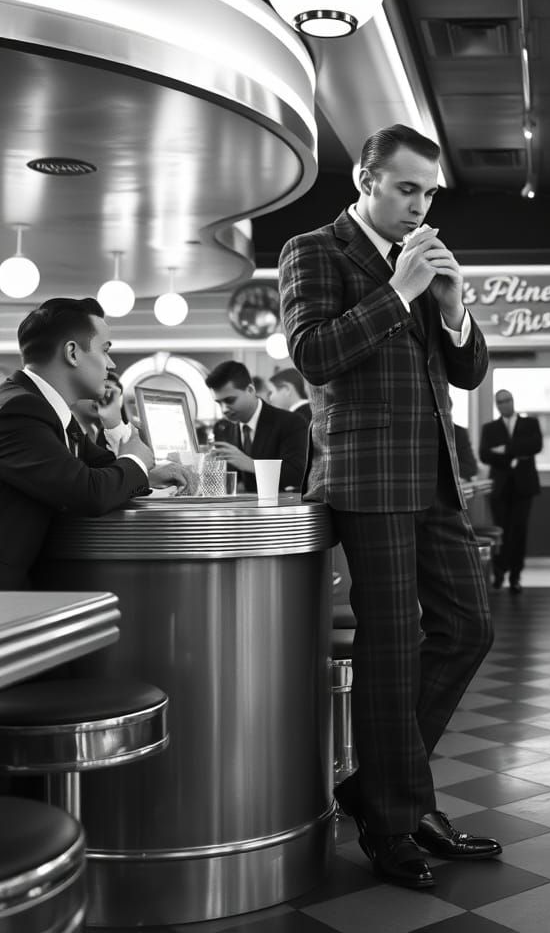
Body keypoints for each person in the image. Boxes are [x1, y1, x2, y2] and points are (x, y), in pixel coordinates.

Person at [278, 123, 498, 890]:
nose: (421, 203)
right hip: (365, 476)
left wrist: (451, 304)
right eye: (407, 188)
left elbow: (466, 375)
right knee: (392, 644)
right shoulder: (314, 250)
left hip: (435, 476)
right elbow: (313, 355)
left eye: (429, 191)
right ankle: (395, 815)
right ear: (366, 181)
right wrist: (399, 289)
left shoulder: (426, 261)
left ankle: (378, 789)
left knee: (471, 626)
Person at [0, 298, 188, 589]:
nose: (111, 364)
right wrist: (136, 461)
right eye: (105, 350)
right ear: (73, 353)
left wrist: (147, 472)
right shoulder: (19, 411)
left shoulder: (49, 409)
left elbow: (102, 466)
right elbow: (88, 491)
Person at [206, 361, 308, 493]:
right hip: (236, 510)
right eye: (219, 403)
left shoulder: (291, 422)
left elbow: (297, 474)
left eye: (230, 400)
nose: (224, 409)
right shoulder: (222, 427)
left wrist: (252, 465)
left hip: (280, 509)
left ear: (250, 390)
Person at [478, 390, 542, 593]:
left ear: (513, 401)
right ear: (497, 405)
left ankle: (515, 576)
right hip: (501, 488)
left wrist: (505, 449)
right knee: (501, 531)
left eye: (507, 400)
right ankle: (498, 573)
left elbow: (535, 445)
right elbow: (484, 454)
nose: (504, 405)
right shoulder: (490, 428)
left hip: (524, 487)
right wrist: (517, 451)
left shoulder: (530, 423)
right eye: (499, 402)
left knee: (519, 531)